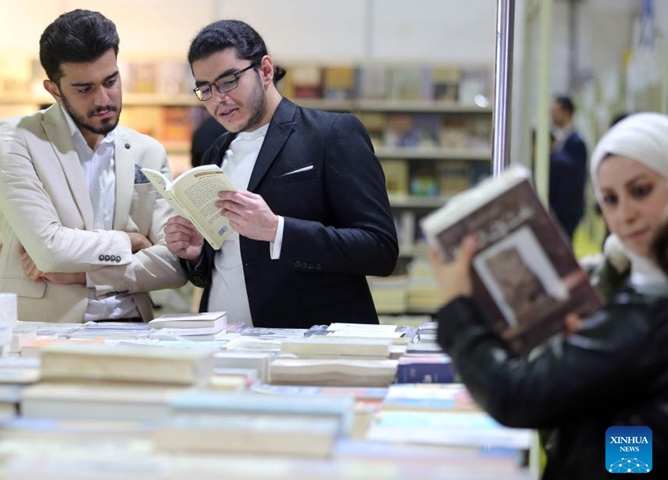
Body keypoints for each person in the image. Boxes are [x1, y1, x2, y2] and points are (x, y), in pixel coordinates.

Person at [428, 112, 668, 479]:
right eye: (610, 200)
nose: (625, 215)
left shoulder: (650, 309)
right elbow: (633, 439)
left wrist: (458, 306)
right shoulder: (642, 287)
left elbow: (514, 395)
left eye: (641, 191)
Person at [164, 20, 398, 329]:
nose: (218, 98)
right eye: (205, 88)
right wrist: (195, 254)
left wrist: (278, 231)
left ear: (265, 70)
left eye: (228, 80)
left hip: (307, 346)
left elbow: (380, 250)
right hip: (223, 343)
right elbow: (223, 265)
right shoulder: (216, 152)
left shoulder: (331, 134)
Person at [0, 9, 185, 323]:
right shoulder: (18, 140)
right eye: (85, 89)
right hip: (39, 328)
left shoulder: (147, 151)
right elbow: (50, 250)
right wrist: (130, 243)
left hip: (132, 328)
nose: (104, 99)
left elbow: (175, 263)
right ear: (54, 89)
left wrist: (84, 275)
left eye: (111, 81)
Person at [548, 96, 588, 242]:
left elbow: (575, 179)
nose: (551, 115)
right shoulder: (560, 139)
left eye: (555, 111)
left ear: (566, 112)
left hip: (567, 211)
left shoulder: (576, 142)